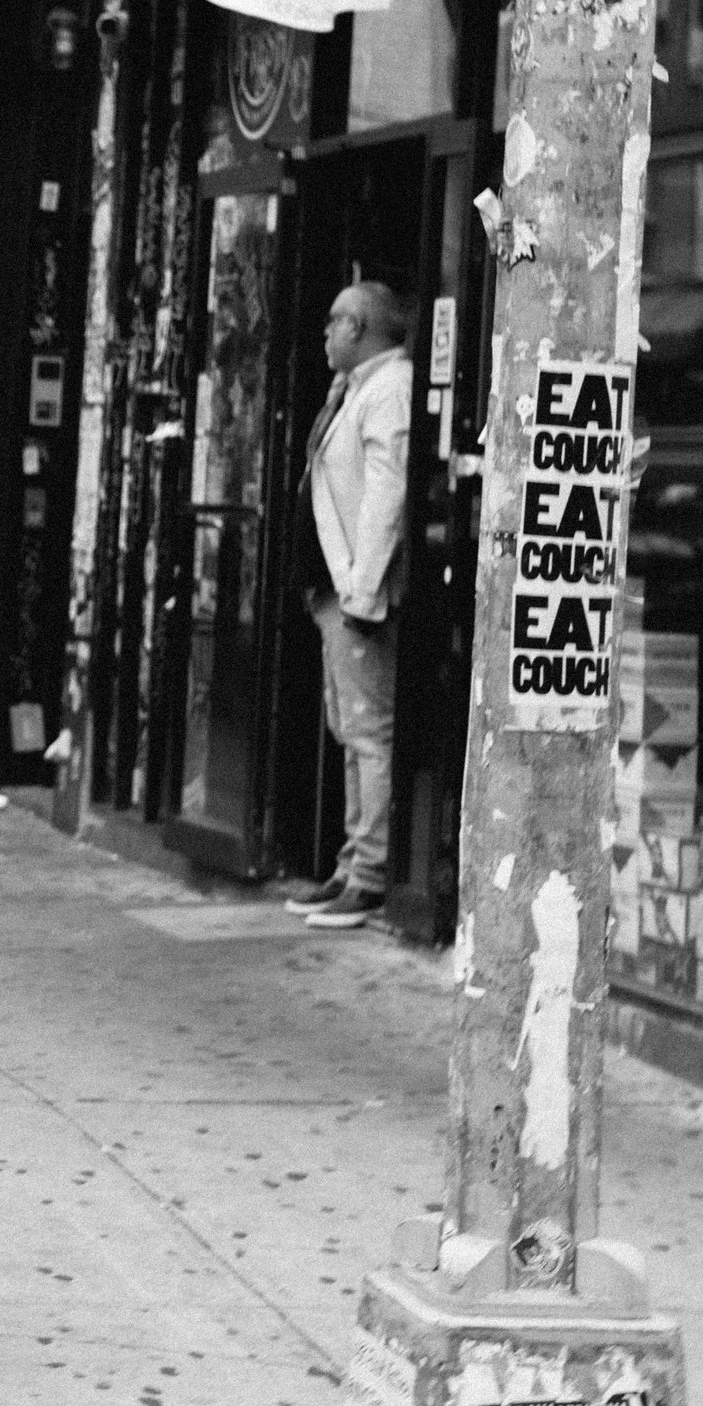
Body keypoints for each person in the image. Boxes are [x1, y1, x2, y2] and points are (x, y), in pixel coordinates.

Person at [286, 280, 413, 931]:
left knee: (369, 732)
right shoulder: (358, 387)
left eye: (335, 321)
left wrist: (362, 589)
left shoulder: (390, 388)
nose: (325, 333)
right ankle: (350, 861)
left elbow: (385, 495)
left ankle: (368, 874)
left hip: (357, 595)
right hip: (335, 591)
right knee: (350, 731)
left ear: (361, 326)